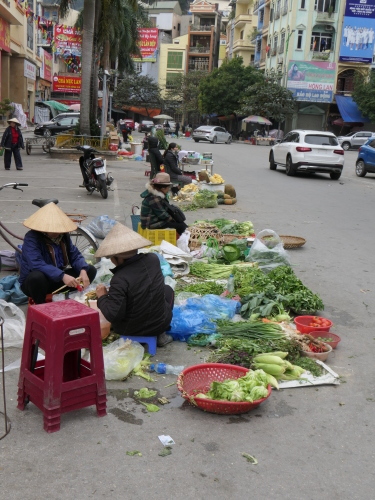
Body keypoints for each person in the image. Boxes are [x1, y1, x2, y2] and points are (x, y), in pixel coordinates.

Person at [95, 223, 174, 347]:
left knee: (166, 290)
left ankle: (152, 335)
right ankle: (161, 334)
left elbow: (113, 315)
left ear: (117, 258)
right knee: (168, 290)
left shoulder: (119, 278)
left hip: (131, 329)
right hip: (161, 322)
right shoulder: (153, 259)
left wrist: (102, 297)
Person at [19, 202, 97, 304]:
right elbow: (36, 264)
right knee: (36, 277)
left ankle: (74, 298)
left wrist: (82, 269)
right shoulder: (32, 238)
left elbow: (74, 254)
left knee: (90, 270)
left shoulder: (63, 236)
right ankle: (41, 305)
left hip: (57, 278)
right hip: (37, 283)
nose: (56, 233)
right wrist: (62, 276)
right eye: (52, 230)